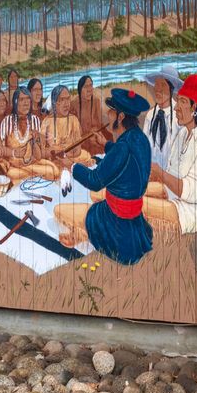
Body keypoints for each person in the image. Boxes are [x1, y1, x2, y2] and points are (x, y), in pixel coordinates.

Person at [54, 88, 153, 264]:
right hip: (134, 215)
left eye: (112, 111)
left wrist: (72, 165)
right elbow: (127, 159)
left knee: (73, 212)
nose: (108, 115)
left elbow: (95, 181)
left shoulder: (122, 146)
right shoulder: (139, 138)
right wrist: (105, 144)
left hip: (118, 218)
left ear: (121, 117)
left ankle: (86, 235)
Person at [144, 75, 197, 237]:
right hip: (173, 196)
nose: (176, 107)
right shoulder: (183, 133)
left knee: (137, 203)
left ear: (194, 108)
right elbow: (172, 172)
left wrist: (160, 173)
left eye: (183, 102)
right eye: (177, 101)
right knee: (133, 191)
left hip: (191, 211)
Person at [0, 87, 58, 180]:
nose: (26, 103)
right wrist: (14, 154)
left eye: (28, 99)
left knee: (54, 170)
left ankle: (32, 177)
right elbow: (1, 151)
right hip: (14, 167)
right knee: (11, 174)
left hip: (33, 163)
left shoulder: (35, 120)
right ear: (15, 102)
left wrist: (34, 141)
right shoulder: (6, 122)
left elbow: (38, 156)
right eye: (22, 99)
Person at [40, 85, 92, 174]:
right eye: (61, 100)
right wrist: (53, 152)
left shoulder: (73, 119)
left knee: (86, 155)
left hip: (72, 157)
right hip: (54, 160)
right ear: (54, 102)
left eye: (68, 99)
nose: (66, 103)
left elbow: (78, 149)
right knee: (50, 167)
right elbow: (41, 150)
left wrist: (67, 155)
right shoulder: (46, 122)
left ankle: (72, 165)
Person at [142, 65, 184, 168]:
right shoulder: (150, 115)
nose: (158, 90)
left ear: (171, 89)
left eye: (163, 85)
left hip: (172, 173)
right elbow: (144, 146)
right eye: (156, 84)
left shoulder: (179, 115)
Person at [75, 75, 110, 156]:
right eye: (86, 86)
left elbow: (99, 123)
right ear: (80, 89)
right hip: (82, 139)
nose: (89, 89)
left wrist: (96, 132)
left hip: (95, 135)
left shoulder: (96, 101)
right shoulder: (74, 104)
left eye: (91, 85)